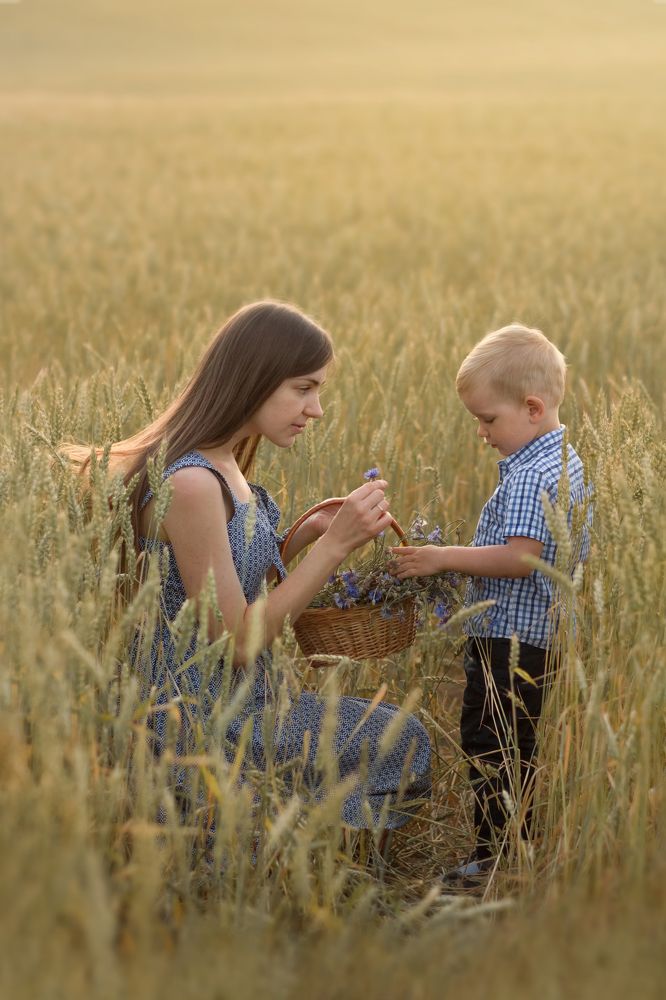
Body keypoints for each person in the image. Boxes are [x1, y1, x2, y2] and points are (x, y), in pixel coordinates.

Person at [65, 300, 430, 835]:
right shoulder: (190, 483)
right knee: (402, 740)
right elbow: (233, 639)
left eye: (319, 390)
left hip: (248, 699)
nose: (317, 409)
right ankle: (253, 834)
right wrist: (336, 550)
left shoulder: (224, 460)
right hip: (203, 718)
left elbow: (229, 579)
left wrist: (306, 538)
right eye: (303, 388)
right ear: (253, 379)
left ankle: (271, 833)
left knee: (395, 737)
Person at [392, 323, 591, 880]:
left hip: (513, 640)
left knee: (493, 744)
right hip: (535, 634)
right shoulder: (561, 459)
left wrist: (443, 557)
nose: (481, 433)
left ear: (532, 407)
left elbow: (521, 558)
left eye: (487, 420)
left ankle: (496, 860)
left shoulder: (532, 476)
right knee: (512, 744)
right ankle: (513, 853)